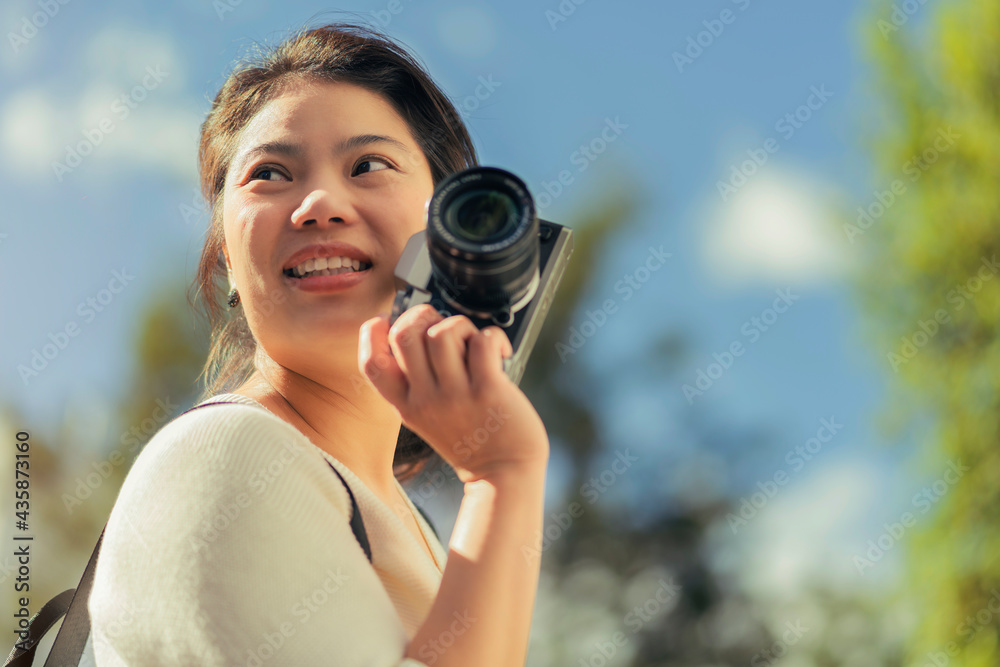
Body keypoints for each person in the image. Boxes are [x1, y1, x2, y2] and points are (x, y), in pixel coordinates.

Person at [87, 22, 549, 667]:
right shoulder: (227, 454)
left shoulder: (421, 531)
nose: (321, 204)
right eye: (270, 174)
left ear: (444, 226)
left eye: (369, 165)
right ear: (225, 252)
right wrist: (504, 477)